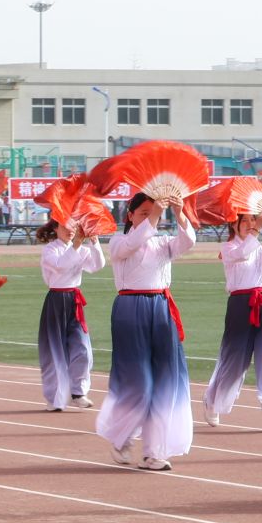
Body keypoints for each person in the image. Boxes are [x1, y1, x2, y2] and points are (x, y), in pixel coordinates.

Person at [99, 193, 197, 470]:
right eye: (142, 213)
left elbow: (188, 242)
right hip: (131, 309)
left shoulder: (163, 243)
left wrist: (179, 212)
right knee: (139, 382)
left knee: (166, 380)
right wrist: (154, 216)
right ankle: (122, 436)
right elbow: (133, 243)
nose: (149, 217)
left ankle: (155, 452)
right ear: (129, 215)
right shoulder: (118, 242)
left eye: (153, 213)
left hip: (162, 309)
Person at [203, 213, 262, 432]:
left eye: (253, 220)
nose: (249, 225)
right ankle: (214, 402)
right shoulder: (228, 249)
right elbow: (242, 254)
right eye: (244, 220)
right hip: (240, 305)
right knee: (234, 360)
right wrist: (257, 230)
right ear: (234, 224)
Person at [36, 216, 104, 411]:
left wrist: (94, 241)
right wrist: (77, 244)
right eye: (65, 227)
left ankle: (78, 392)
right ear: (56, 228)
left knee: (83, 349)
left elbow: (97, 265)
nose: (70, 230)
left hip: (74, 301)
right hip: (56, 301)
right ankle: (54, 398)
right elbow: (61, 266)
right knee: (54, 351)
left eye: (74, 227)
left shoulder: (80, 249)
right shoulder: (50, 250)